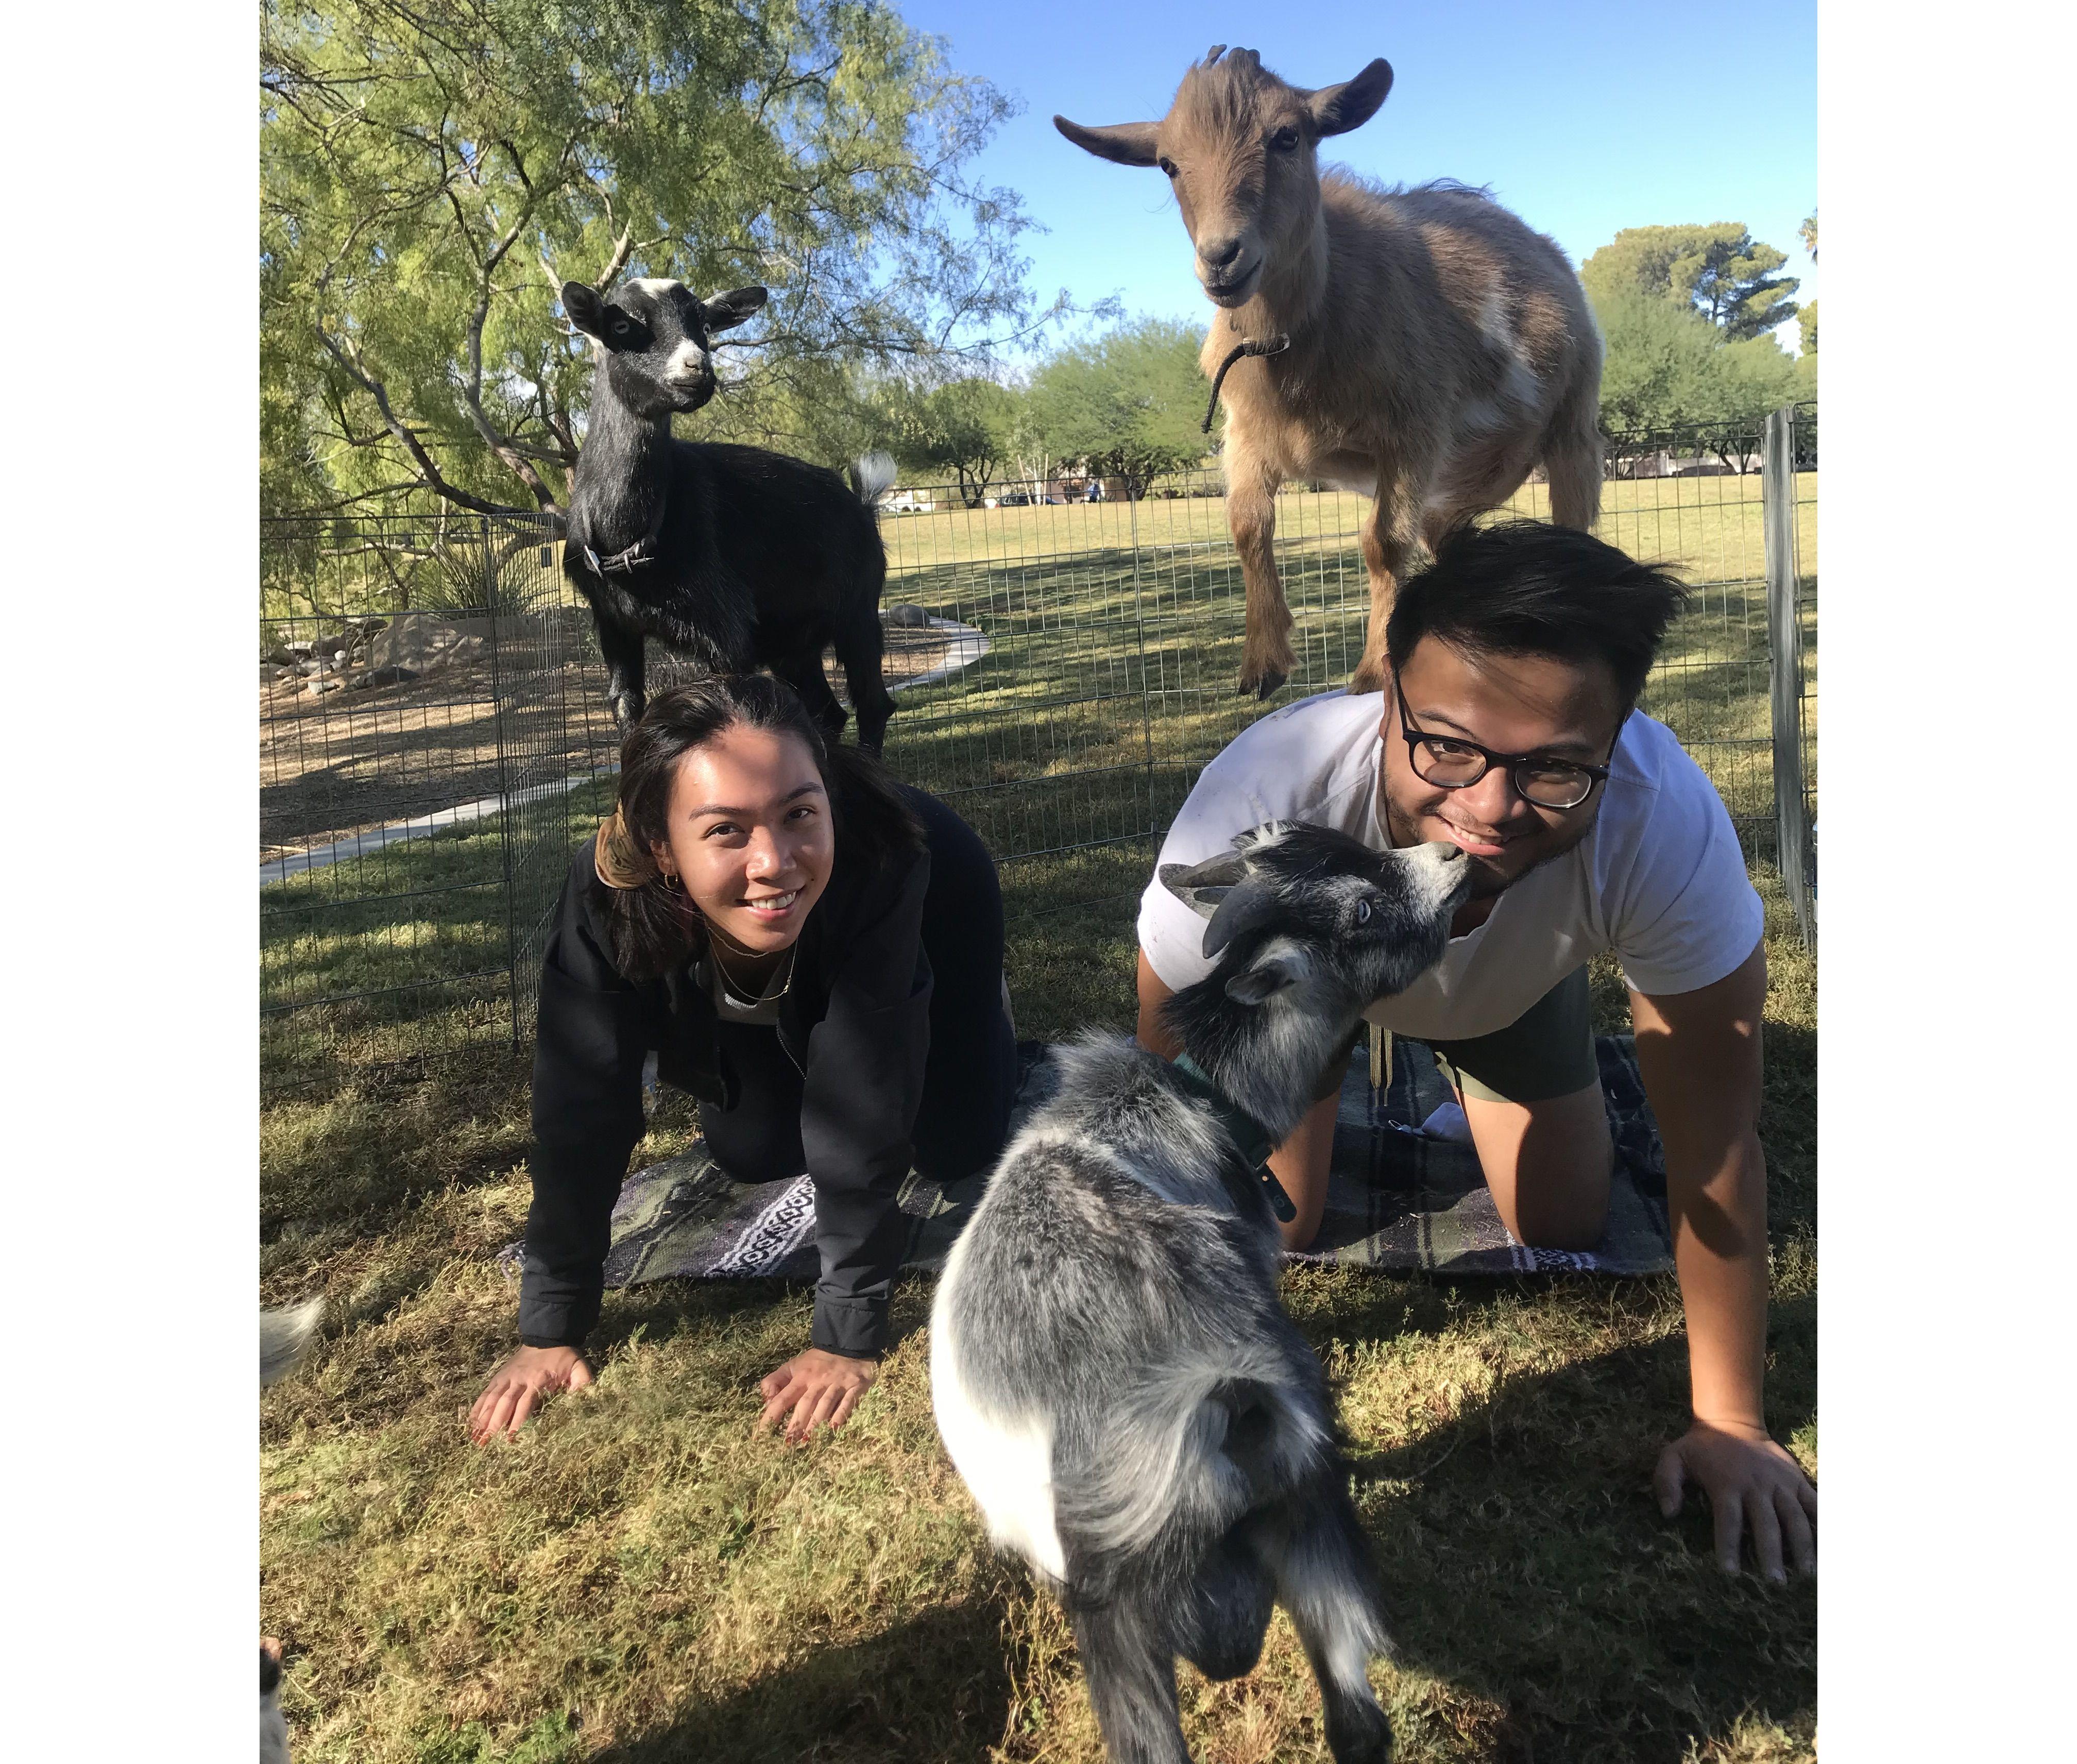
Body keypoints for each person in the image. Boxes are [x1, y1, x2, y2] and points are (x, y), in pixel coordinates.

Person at [1135, 521, 1816, 1583]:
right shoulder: (1267, 796)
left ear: (1620, 737)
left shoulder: (1660, 820)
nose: (1488, 813)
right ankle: (1348, 1080)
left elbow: (1716, 1143)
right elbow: (1170, 1135)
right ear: (1388, 691)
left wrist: (1729, 1417)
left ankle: (1470, 1082)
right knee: (1283, 1224)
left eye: (1554, 769)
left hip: (1513, 993)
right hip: (1309, 998)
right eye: (1445, 744)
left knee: (1563, 1220)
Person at [469, 673, 1020, 1448]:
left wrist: (846, 1332)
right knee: (751, 1151)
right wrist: (551, 1324)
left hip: (935, 910)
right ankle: (788, 1012)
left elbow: (862, 1087)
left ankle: (955, 1009)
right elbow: (580, 1102)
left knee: (958, 1144)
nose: (773, 860)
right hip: (748, 964)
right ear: (662, 845)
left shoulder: (881, 854)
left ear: (827, 795)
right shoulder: (602, 901)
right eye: (727, 830)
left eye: (799, 812)